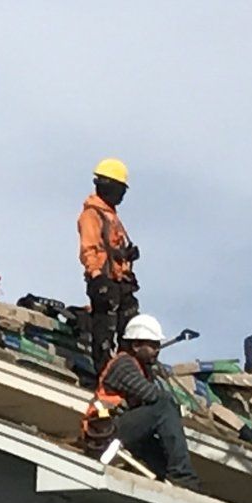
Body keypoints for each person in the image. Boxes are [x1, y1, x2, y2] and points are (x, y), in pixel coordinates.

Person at [79, 313, 200, 490]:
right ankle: (182, 476)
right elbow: (152, 397)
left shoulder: (140, 369)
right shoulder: (124, 365)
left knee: (160, 451)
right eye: (152, 346)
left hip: (117, 429)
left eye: (158, 345)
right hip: (103, 429)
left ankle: (179, 482)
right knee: (164, 406)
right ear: (136, 345)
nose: (157, 350)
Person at [77, 157, 139, 374]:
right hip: (105, 281)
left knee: (130, 330)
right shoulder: (92, 214)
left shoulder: (111, 216)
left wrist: (127, 255)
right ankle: (103, 374)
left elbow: (114, 246)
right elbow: (90, 248)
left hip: (120, 281)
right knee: (105, 331)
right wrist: (97, 277)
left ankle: (125, 372)